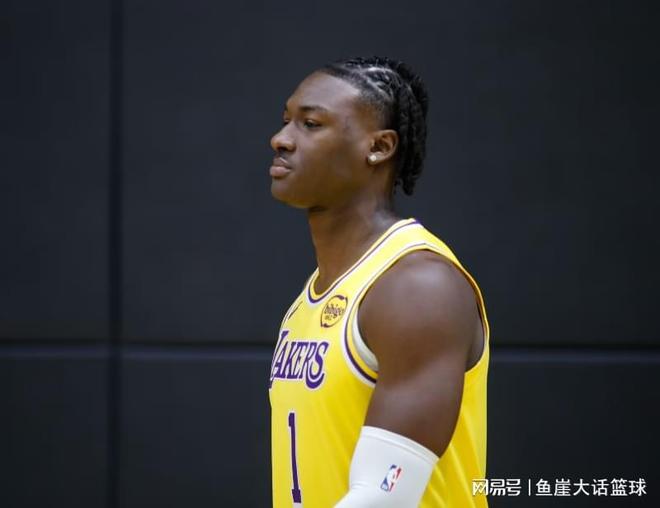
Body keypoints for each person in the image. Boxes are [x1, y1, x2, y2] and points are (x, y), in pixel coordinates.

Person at [268, 56, 489, 508]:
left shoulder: (418, 287)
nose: (281, 139)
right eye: (286, 120)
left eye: (311, 124)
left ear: (380, 147)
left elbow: (385, 497)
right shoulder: (319, 292)